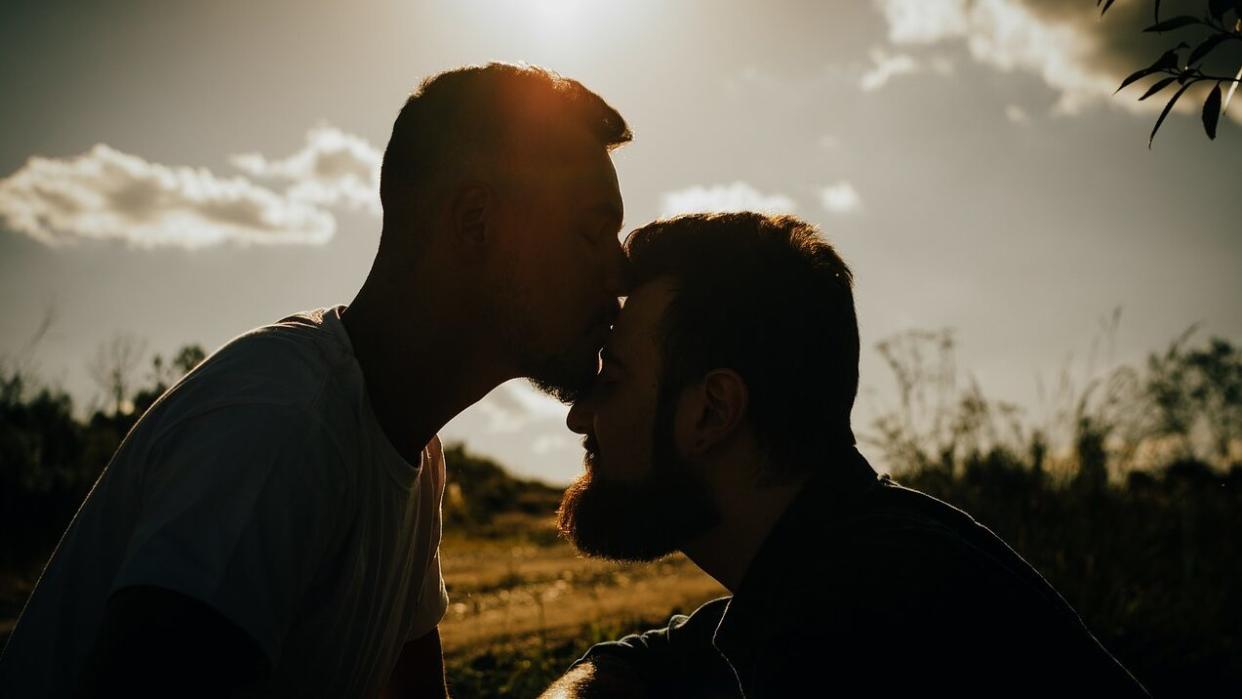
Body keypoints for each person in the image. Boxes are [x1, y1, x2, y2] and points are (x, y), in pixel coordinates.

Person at [0, 62, 630, 698]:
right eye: (593, 231)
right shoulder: (279, 426)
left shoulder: (411, 451)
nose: (621, 273)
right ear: (474, 222)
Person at [541, 212, 1149, 698]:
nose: (580, 415)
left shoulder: (868, 623)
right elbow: (653, 658)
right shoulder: (844, 553)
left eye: (613, 380)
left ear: (711, 412)